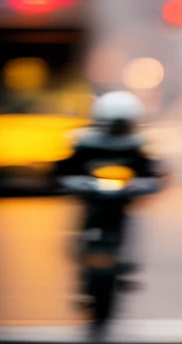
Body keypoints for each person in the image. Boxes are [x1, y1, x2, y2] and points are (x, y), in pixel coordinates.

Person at [55, 90, 165, 270]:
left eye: (121, 124)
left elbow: (152, 171)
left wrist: (148, 183)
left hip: (122, 198)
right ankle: (80, 246)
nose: (117, 129)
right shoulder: (85, 142)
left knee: (129, 220)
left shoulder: (139, 144)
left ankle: (124, 254)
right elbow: (66, 167)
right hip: (93, 196)